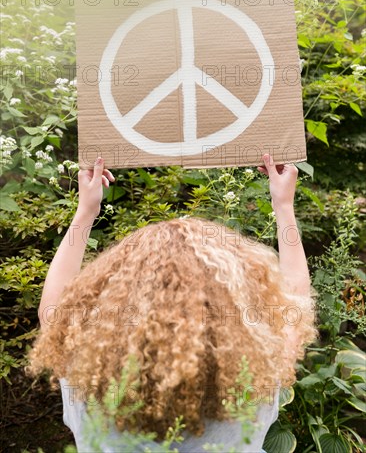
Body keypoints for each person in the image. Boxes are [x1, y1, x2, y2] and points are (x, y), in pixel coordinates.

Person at [26, 154, 318, 452]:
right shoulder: (259, 373)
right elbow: (295, 304)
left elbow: (53, 309)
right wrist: (284, 206)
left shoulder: (84, 374)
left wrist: (85, 211)